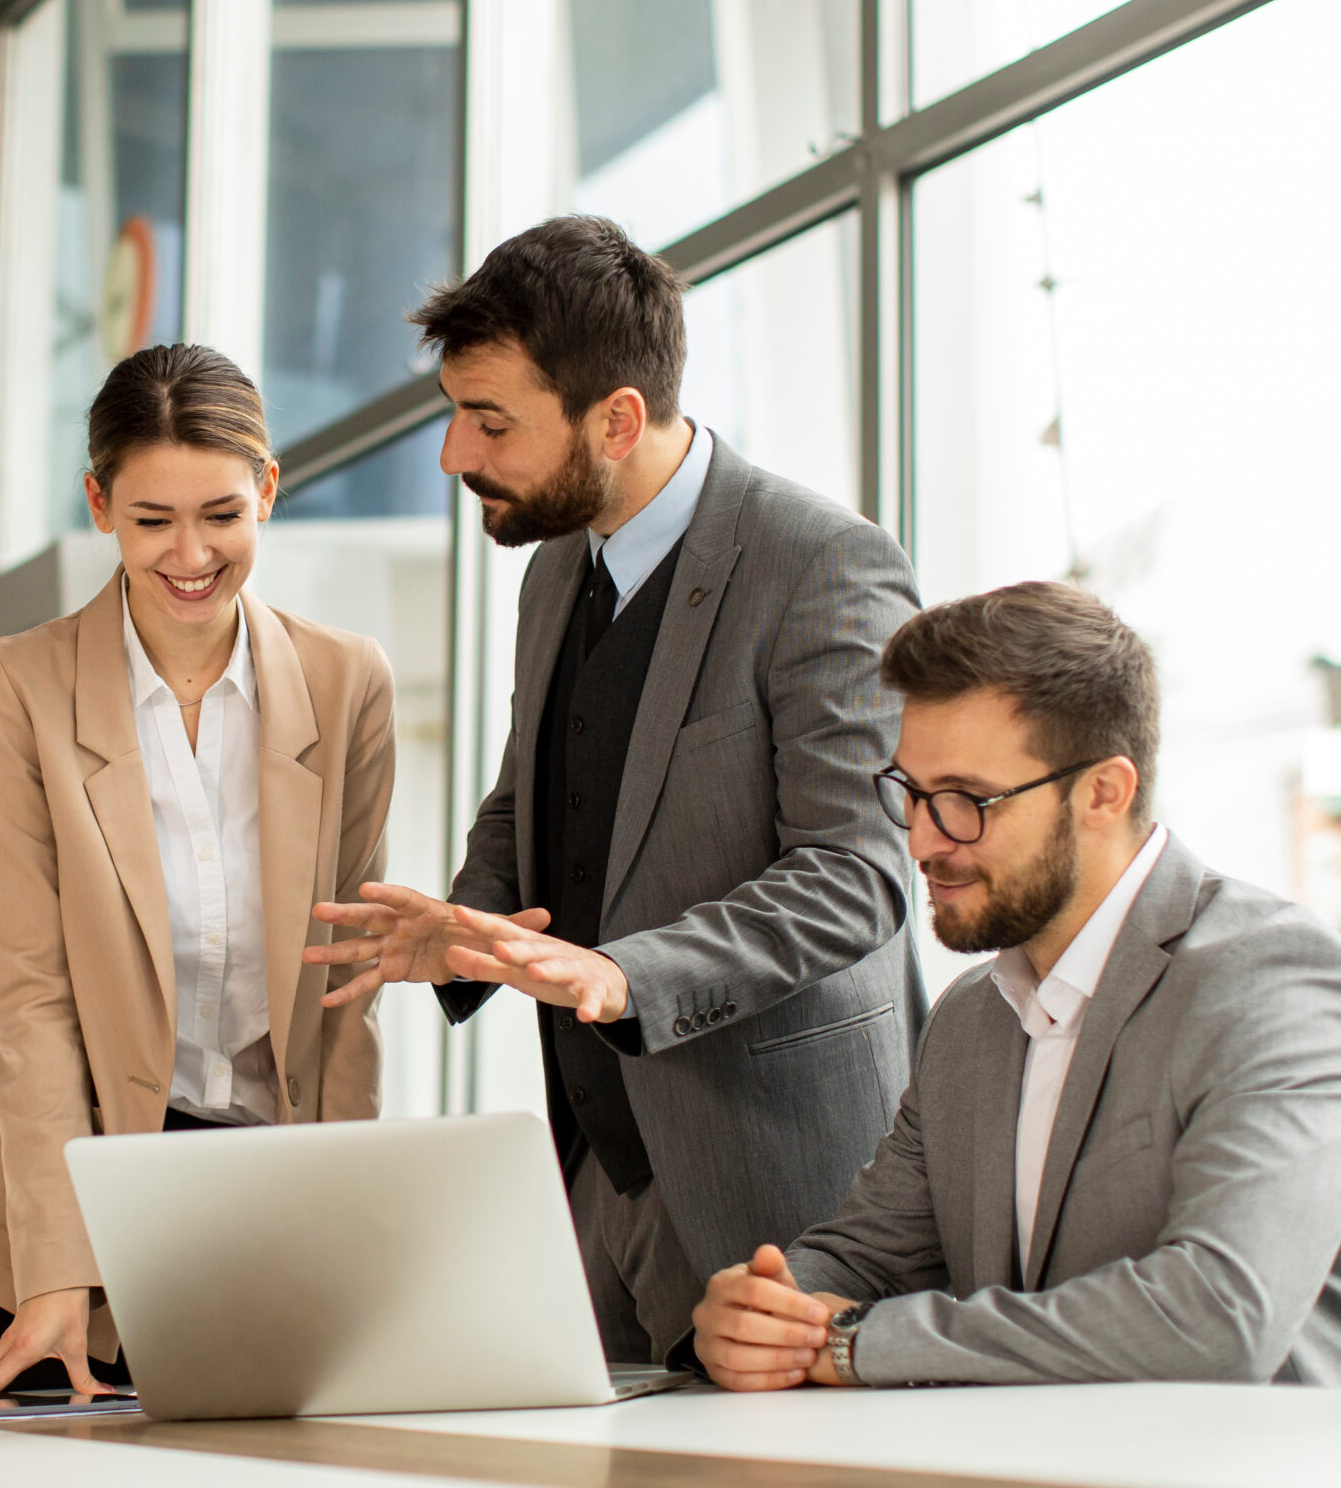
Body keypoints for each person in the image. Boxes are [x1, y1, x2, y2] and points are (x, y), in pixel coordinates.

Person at [308, 215, 920, 1370]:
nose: (453, 456)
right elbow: (531, 788)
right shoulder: (555, 569)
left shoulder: (821, 565)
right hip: (596, 1170)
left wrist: (622, 973)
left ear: (618, 418)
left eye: (490, 423)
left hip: (781, 1189)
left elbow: (859, 875)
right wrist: (465, 921)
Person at [690, 581, 1341, 1390]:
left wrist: (853, 1344)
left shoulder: (1276, 980)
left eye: (968, 801)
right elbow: (867, 1252)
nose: (925, 841)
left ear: (1103, 793)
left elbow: (1219, 1318)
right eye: (910, 793)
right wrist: (766, 1308)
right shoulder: (972, 1017)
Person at [0, 344, 397, 1401]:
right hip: (61, 1218)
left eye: (222, 515)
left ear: (268, 490)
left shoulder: (346, 680)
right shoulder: (23, 687)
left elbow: (346, 987)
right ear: (99, 504)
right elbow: (29, 1002)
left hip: (263, 1209)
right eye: (152, 522)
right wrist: (59, 1270)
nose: (192, 555)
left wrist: (350, 1238)